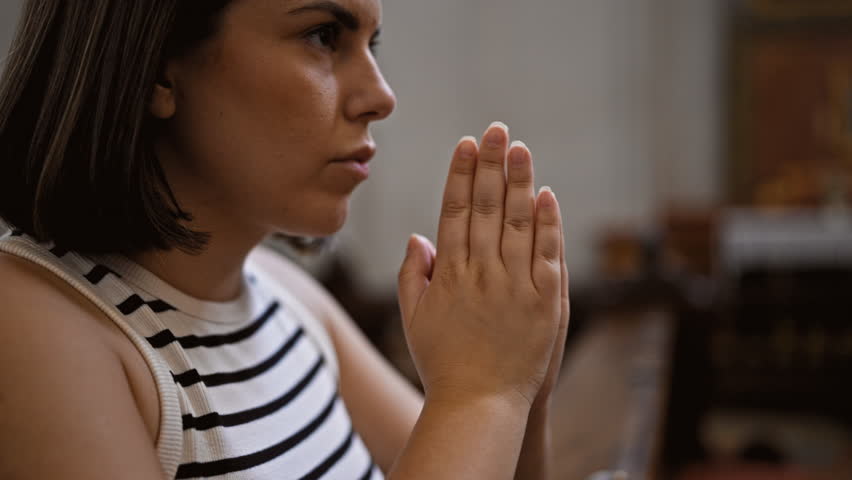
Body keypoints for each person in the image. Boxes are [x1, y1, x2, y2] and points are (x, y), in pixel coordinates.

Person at [0, 0, 569, 479]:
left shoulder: (285, 296)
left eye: (373, 44)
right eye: (324, 36)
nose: (381, 95)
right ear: (157, 68)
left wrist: (522, 385)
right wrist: (481, 392)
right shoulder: (26, 323)